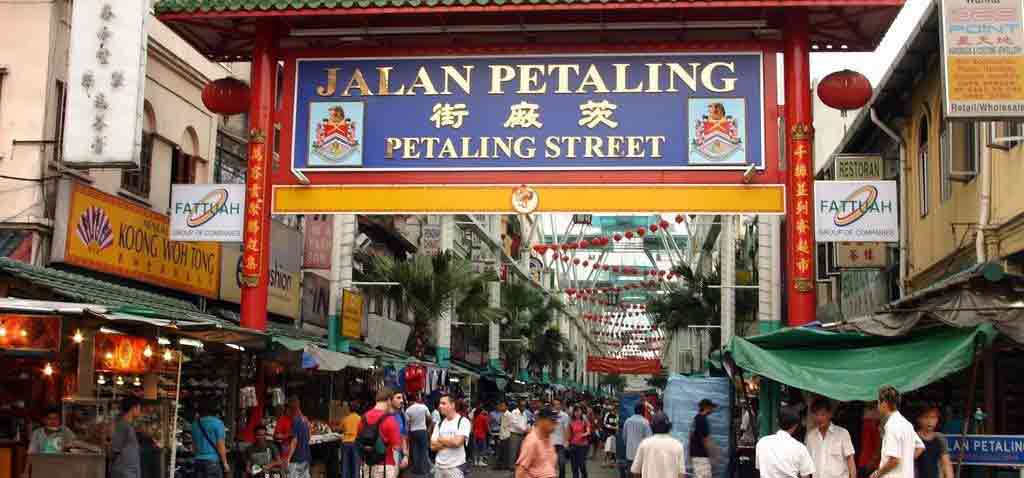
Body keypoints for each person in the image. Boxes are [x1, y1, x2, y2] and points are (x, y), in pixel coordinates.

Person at [871, 386, 925, 478]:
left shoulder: (892, 425)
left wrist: (877, 474)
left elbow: (894, 460)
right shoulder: (906, 424)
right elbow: (920, 447)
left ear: (884, 403)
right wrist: (906, 461)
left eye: (878, 402)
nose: (878, 406)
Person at [755, 407, 816, 478]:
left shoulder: (762, 442)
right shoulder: (800, 448)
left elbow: (759, 467)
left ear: (777, 421)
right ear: (795, 426)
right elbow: (806, 476)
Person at [358, 388, 403, 478]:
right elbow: (397, 446)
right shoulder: (390, 420)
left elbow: (359, 440)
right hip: (385, 466)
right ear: (389, 401)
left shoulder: (363, 418)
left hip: (367, 466)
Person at [805, 399, 856, 478]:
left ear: (830, 414)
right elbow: (807, 465)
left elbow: (851, 462)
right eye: (816, 414)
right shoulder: (810, 437)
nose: (819, 418)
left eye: (822, 414)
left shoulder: (843, 433)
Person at [630, 412, 685, 478]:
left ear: (652, 426)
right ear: (669, 427)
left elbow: (636, 471)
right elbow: (681, 474)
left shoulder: (644, 444)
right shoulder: (678, 445)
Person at [430, 394, 472, 478]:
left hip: (455, 467)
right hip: (439, 466)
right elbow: (432, 446)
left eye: (443, 403)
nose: (440, 406)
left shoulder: (463, 421)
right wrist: (450, 441)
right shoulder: (439, 424)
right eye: (440, 403)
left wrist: (440, 439)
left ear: (452, 405)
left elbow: (457, 443)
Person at [516, 407, 559, 478]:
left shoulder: (548, 438)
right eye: (552, 421)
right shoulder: (532, 441)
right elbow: (520, 471)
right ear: (541, 420)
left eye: (555, 421)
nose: (555, 424)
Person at [192, 402, 231, 478]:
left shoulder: (194, 424)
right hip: (212, 461)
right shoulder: (218, 423)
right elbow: (220, 445)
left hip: (198, 461)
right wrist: (225, 463)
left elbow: (194, 446)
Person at [915, 404, 953, 478]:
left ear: (937, 420)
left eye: (933, 418)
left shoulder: (940, 438)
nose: (930, 421)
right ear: (919, 419)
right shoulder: (913, 437)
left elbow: (946, 464)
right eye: (926, 417)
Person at [110, 396, 142, 478]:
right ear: (133, 408)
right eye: (138, 408)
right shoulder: (122, 425)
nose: (139, 410)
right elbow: (115, 448)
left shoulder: (129, 425)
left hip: (130, 471)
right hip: (123, 471)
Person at [281, 397, 311, 478]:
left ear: (290, 408)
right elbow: (309, 438)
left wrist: (288, 458)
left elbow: (294, 441)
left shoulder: (295, 420)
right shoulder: (305, 419)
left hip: (296, 459)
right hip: (305, 457)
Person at [405, 394, 432, 478]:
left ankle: (417, 470)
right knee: (423, 450)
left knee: (415, 450)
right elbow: (429, 418)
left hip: (413, 432)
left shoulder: (408, 410)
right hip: (422, 430)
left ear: (409, 401)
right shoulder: (423, 407)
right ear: (416, 399)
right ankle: (423, 470)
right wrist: (428, 428)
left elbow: (407, 424)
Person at [689, 399, 717, 478]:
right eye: (711, 407)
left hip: (696, 455)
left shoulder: (696, 418)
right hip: (702, 457)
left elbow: (690, 436)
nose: (712, 410)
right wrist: (712, 455)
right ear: (706, 407)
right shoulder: (702, 420)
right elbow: (705, 440)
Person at [623, 402, 652, 477]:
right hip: (641, 454)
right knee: (640, 474)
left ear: (634, 410)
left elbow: (624, 436)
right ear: (643, 411)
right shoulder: (645, 422)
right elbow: (649, 439)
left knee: (630, 473)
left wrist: (627, 445)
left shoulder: (628, 421)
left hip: (629, 453)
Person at [568, 405, 591, 478]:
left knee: (581, 465)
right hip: (573, 445)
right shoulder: (571, 422)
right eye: (576, 411)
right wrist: (567, 443)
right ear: (573, 412)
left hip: (583, 446)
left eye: (579, 411)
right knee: (574, 467)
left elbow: (588, 431)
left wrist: (583, 434)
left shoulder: (584, 421)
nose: (577, 413)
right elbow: (569, 434)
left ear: (581, 412)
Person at [340, 402, 362, 478]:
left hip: (345, 443)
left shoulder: (346, 418)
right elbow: (361, 431)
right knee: (355, 466)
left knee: (345, 466)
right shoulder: (359, 418)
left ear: (349, 409)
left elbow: (341, 429)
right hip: (355, 442)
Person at [550, 399, 570, 478]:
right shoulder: (549, 415)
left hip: (561, 444)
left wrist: (566, 441)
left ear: (561, 405)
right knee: (550, 464)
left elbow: (566, 430)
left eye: (558, 404)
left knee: (562, 463)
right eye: (555, 404)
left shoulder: (565, 416)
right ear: (552, 406)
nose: (557, 406)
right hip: (550, 443)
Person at [497, 402, 513, 470]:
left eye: (502, 406)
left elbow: (510, 425)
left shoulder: (509, 415)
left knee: (505, 451)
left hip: (506, 435)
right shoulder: (503, 414)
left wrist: (507, 434)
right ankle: (501, 465)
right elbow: (501, 425)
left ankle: (505, 466)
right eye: (501, 406)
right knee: (501, 451)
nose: (501, 407)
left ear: (506, 407)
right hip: (502, 435)